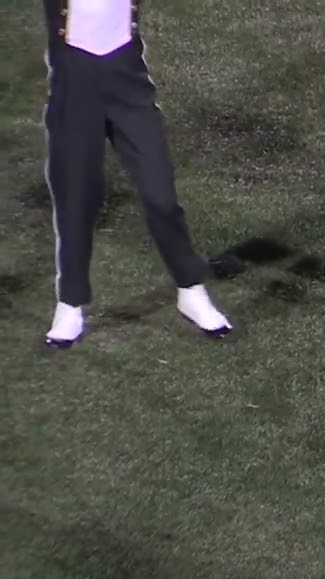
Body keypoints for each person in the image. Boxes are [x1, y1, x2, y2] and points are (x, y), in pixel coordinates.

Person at [41, 0, 232, 348]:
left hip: (127, 76)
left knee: (161, 193)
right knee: (76, 196)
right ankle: (70, 302)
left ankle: (189, 288)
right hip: (74, 81)